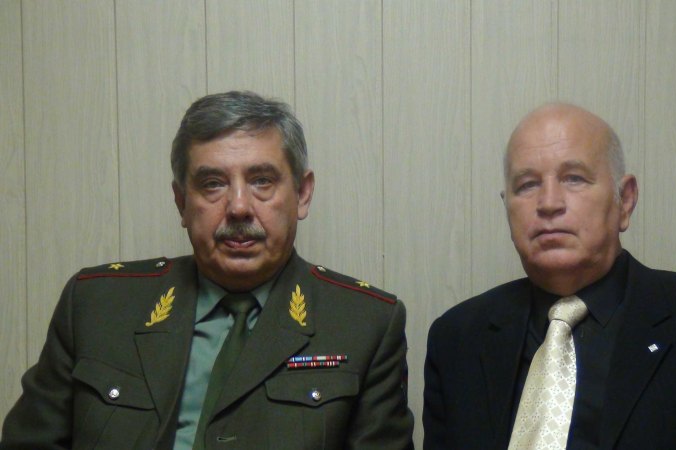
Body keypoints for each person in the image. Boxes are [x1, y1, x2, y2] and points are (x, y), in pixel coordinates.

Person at [1, 91, 414, 449]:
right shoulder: (98, 305)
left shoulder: (365, 324)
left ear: (302, 194)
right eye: (213, 183)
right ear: (182, 202)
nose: (238, 207)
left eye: (262, 181)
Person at [423, 103, 676, 449]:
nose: (549, 203)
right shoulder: (457, 339)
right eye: (527, 185)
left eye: (574, 178)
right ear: (507, 207)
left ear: (626, 200)